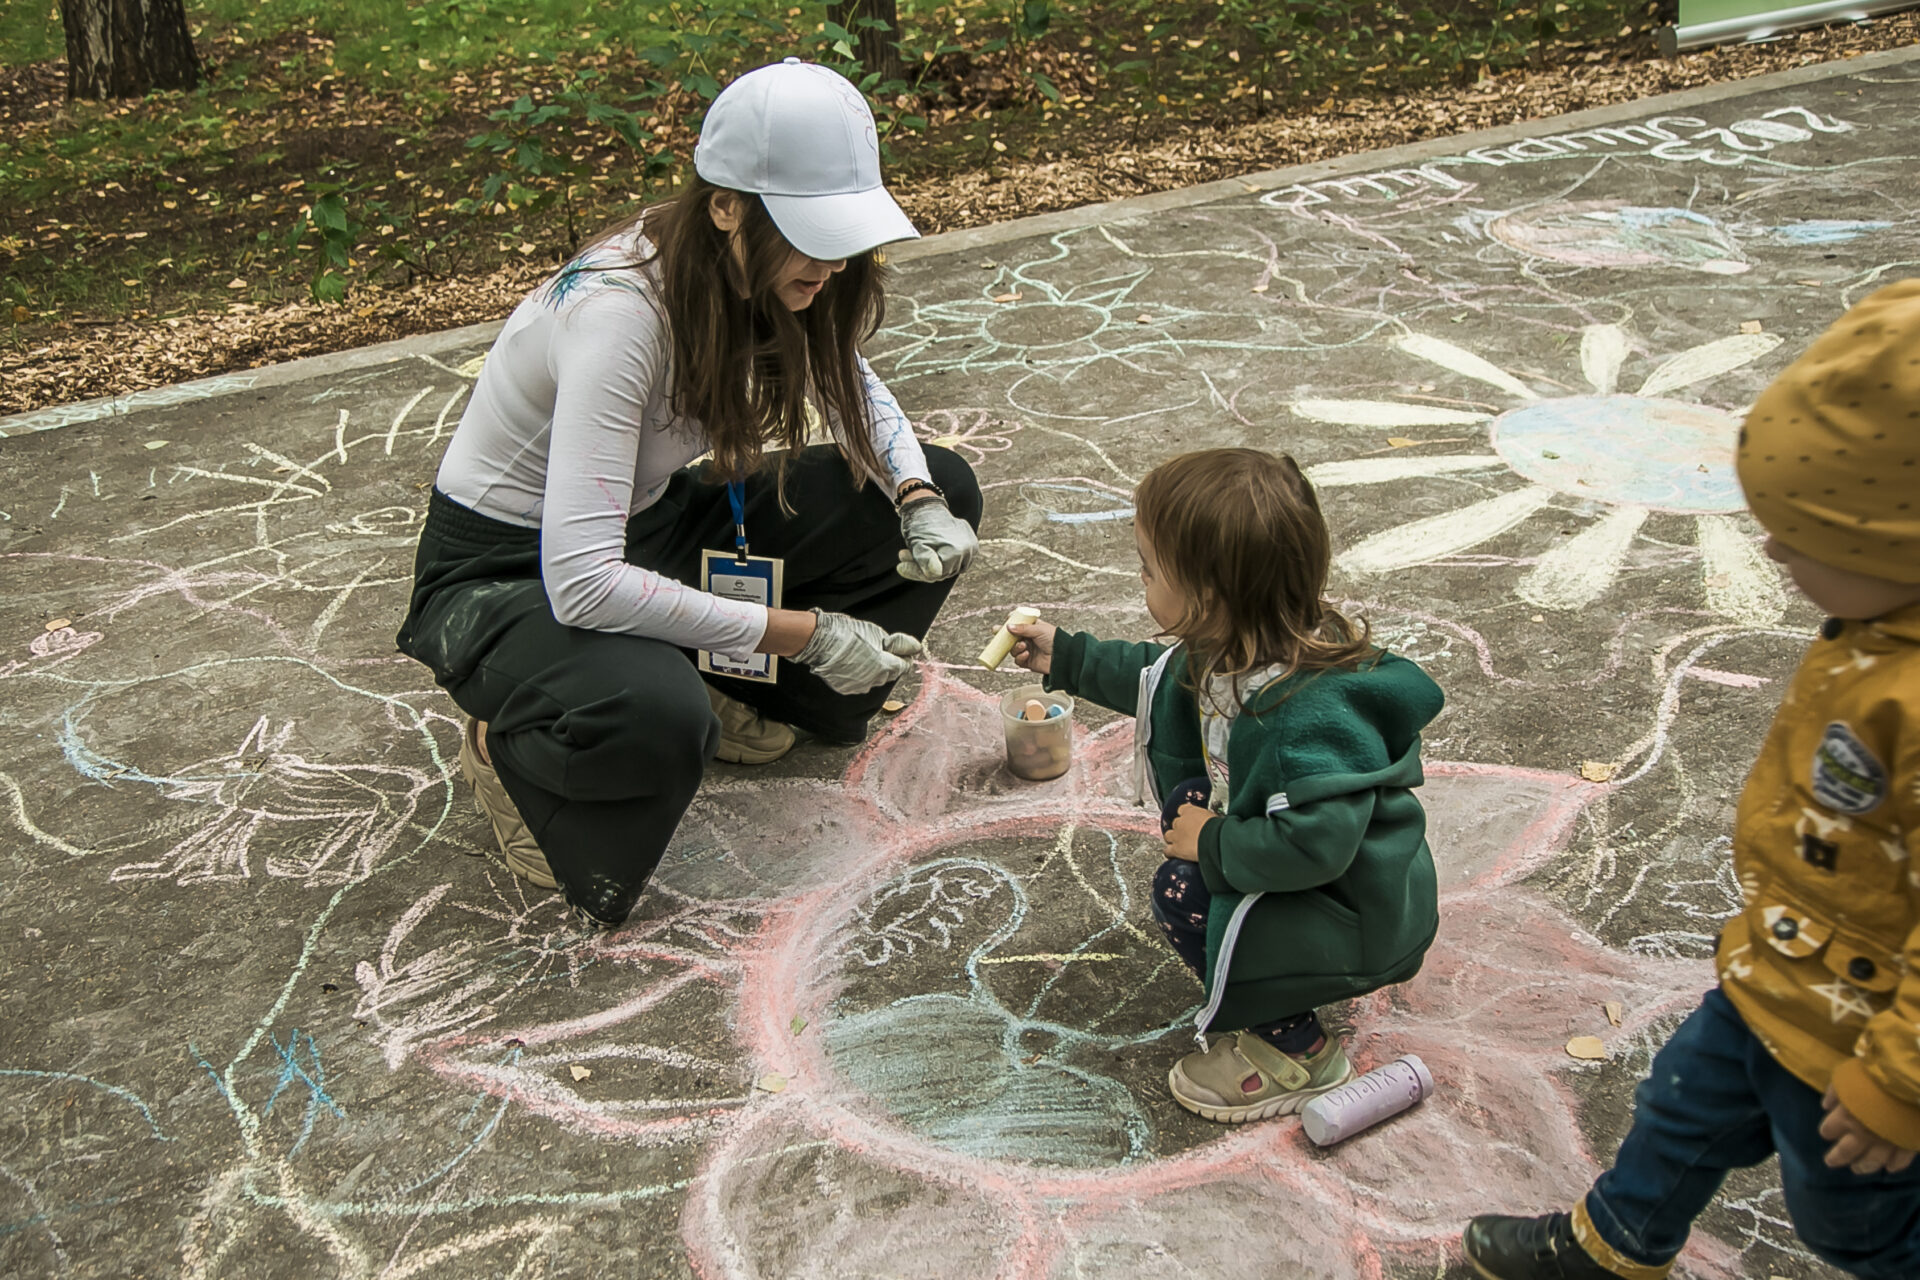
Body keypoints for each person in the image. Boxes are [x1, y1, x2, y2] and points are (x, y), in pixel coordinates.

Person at [394, 58, 981, 929]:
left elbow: (848, 382)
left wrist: (919, 494)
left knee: (943, 486)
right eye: (811, 231)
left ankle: (737, 688)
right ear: (727, 206)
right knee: (652, 715)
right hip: (509, 571)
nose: (832, 261)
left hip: (649, 519)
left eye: (844, 231)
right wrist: (808, 633)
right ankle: (512, 744)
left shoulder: (751, 266)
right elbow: (583, 581)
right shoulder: (618, 313)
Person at [1462, 280, 1920, 1280]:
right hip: (1775, 970)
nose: (1773, 545)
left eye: (1806, 537)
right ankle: (1615, 1243)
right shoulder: (1878, 618)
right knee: (1679, 1107)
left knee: (1853, 1222)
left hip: (1861, 1033)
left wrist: (1900, 1083)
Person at [1006, 447, 1443, 1122]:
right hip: (1319, 875)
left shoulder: (1302, 718)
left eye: (1150, 569)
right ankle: (1275, 968)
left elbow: (1319, 845)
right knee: (1191, 826)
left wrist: (1213, 843)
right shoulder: (1244, 641)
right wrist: (1068, 655)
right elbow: (1158, 675)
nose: (1141, 578)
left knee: (1183, 890)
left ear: (1208, 597)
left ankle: (1297, 1051)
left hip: (1357, 909)